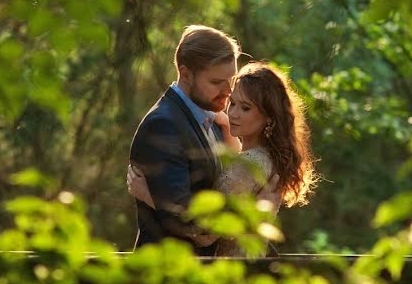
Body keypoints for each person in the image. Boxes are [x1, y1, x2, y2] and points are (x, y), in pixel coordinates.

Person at [128, 61, 317, 256]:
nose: (233, 114)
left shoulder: (249, 164)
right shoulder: (266, 157)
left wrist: (148, 196)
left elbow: (204, 234)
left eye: (245, 108)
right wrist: (227, 129)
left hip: (232, 269)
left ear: (269, 117)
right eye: (232, 103)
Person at [128, 24, 253, 254]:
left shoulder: (211, 119)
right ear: (186, 75)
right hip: (166, 275)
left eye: (231, 80)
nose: (228, 91)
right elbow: (181, 216)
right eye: (216, 82)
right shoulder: (163, 125)